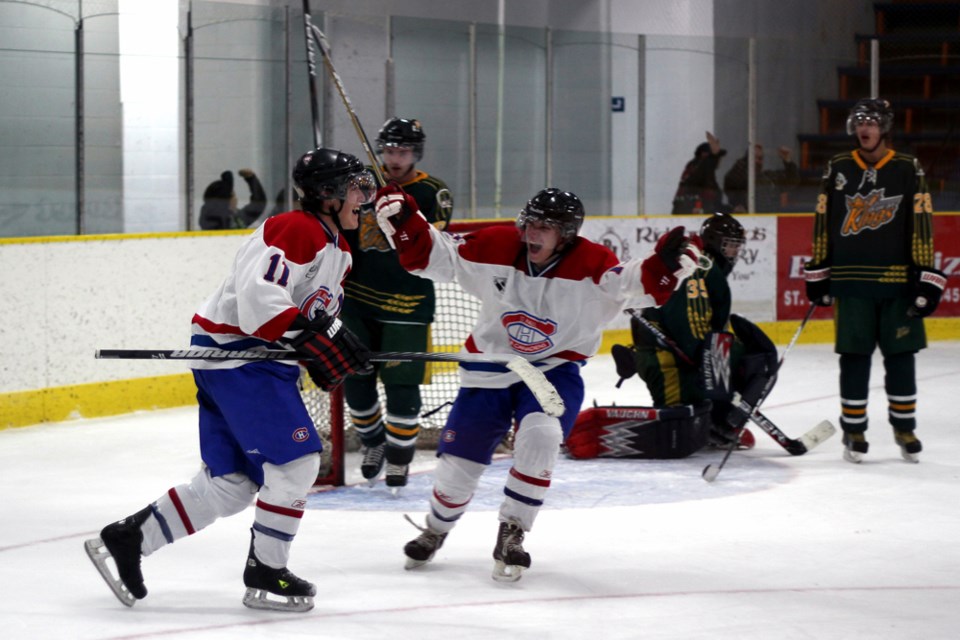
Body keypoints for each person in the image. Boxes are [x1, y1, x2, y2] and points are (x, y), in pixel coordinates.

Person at [83, 148, 377, 612]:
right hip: (241, 359)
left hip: (249, 364)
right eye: (356, 187)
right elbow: (259, 304)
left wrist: (323, 343)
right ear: (328, 193)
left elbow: (308, 322)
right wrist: (314, 336)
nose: (364, 197)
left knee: (232, 484)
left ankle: (129, 537)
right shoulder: (295, 229)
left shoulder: (338, 250)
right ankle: (267, 570)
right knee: (298, 464)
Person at [374, 185, 705, 581]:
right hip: (489, 368)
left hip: (553, 371)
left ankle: (512, 531)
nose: (533, 231)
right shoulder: (495, 245)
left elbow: (633, 282)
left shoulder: (593, 263)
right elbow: (438, 254)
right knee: (458, 465)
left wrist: (663, 267)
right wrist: (405, 223)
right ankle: (436, 529)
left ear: (566, 234)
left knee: (543, 437)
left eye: (546, 227)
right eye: (531, 222)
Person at [803, 97, 946, 464]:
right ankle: (854, 429)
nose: (864, 128)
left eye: (871, 122)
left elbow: (922, 220)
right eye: (859, 122)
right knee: (854, 358)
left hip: (897, 282)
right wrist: (819, 271)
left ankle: (904, 426)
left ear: (884, 128)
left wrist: (925, 275)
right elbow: (823, 220)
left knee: (901, 358)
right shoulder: (837, 167)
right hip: (851, 283)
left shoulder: (906, 168)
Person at [595, 213, 779, 456]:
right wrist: (712, 374)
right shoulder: (702, 269)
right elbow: (691, 327)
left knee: (687, 423)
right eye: (729, 246)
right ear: (714, 242)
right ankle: (720, 421)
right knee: (759, 359)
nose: (733, 253)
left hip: (666, 359)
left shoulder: (702, 267)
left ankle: (716, 420)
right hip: (668, 364)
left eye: (737, 247)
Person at [340, 117, 454, 490]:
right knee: (353, 375)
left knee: (402, 382)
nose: (394, 157)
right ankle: (373, 444)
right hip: (357, 299)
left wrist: (401, 208)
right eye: (388, 149)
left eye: (402, 151)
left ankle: (400, 459)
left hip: (408, 303)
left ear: (415, 153)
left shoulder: (433, 192)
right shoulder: (361, 185)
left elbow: (434, 244)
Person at [723, 144, 800, 212]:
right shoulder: (738, 178)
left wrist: (788, 161)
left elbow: (792, 181)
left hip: (771, 222)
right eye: (753, 157)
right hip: (747, 221)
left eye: (760, 158)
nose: (757, 161)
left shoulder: (769, 177)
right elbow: (730, 181)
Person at [671, 131, 726, 214]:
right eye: (718, 157)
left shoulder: (698, 171)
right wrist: (713, 156)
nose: (719, 160)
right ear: (705, 155)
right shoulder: (698, 169)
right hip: (692, 217)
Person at [198, 168, 268, 230]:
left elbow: (257, 206)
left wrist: (252, 179)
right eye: (233, 196)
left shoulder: (237, 218)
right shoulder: (210, 218)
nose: (236, 199)